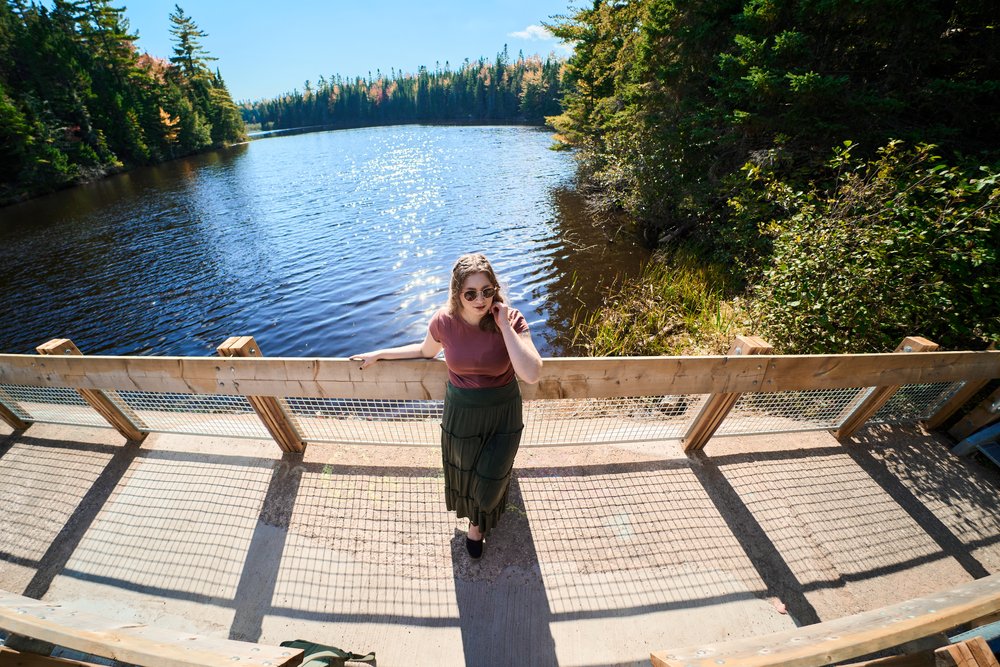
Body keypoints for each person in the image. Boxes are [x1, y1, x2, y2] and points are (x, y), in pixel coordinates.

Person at [351, 253, 543, 559]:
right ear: (457, 293)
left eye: (487, 291)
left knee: (491, 475)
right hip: (462, 412)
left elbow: (531, 373)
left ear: (495, 290)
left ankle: (477, 527)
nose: (479, 299)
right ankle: (476, 520)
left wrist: (504, 324)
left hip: (502, 411)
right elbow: (425, 352)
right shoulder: (444, 322)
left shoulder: (513, 319)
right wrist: (380, 354)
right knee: (467, 472)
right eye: (471, 293)